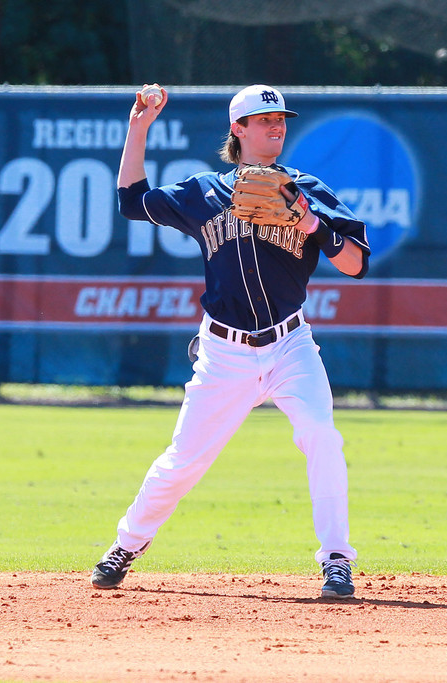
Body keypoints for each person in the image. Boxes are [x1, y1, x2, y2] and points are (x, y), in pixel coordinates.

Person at [92, 83, 370, 598]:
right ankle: (127, 544)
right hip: (225, 352)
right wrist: (139, 128)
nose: (277, 126)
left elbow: (355, 264)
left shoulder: (306, 188)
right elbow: (131, 201)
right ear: (238, 129)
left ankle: (337, 560)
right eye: (265, 120)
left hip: (290, 345)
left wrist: (311, 221)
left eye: (281, 119)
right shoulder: (204, 193)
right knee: (183, 460)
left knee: (321, 435)